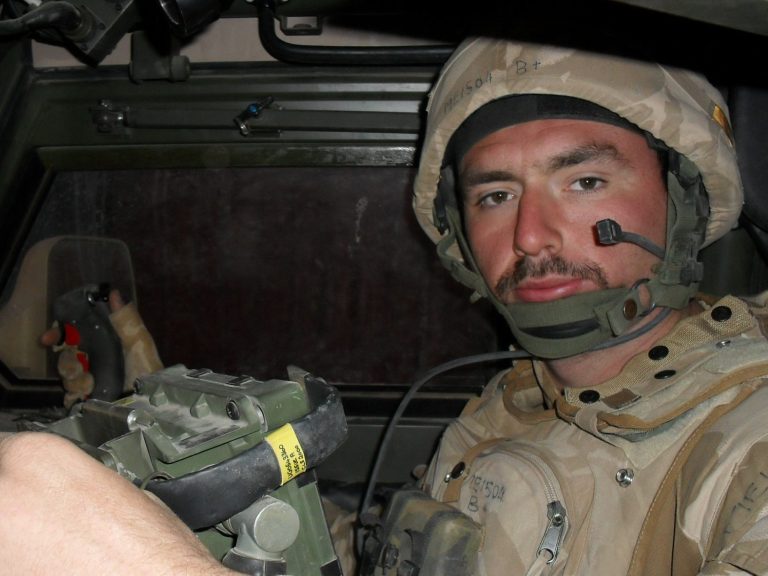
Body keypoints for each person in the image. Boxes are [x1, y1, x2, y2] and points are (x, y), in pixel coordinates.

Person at [0, 36, 764, 576]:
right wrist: (180, 447)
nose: (532, 235)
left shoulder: (748, 432)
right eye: (496, 195)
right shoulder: (508, 409)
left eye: (585, 182)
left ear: (683, 199)